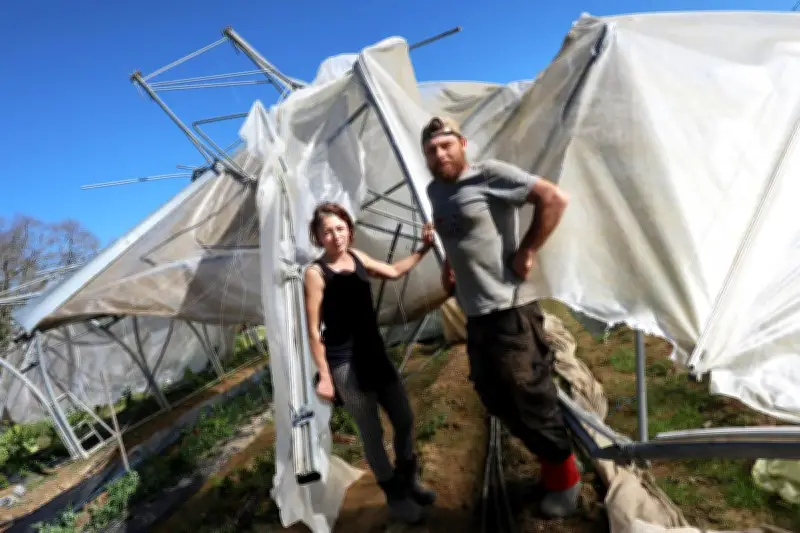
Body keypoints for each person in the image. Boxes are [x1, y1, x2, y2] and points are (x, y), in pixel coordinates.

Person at [421, 116, 581, 518]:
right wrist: (448, 267)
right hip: (475, 314)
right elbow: (453, 231)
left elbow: (554, 198)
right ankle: (551, 462)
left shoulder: (489, 174)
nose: (439, 154)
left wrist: (527, 249)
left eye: (446, 145)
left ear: (463, 143)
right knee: (492, 394)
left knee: (530, 398)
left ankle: (565, 480)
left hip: (508, 310)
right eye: (431, 149)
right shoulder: (434, 190)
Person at [303, 201, 437, 524]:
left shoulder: (358, 257)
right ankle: (394, 495)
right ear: (318, 237)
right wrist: (324, 374)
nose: (336, 236)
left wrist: (425, 249)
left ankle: (408, 478)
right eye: (327, 231)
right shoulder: (315, 273)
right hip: (344, 362)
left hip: (374, 353)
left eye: (340, 228)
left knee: (403, 418)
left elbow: (392, 271)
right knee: (371, 431)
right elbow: (312, 331)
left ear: (349, 228)